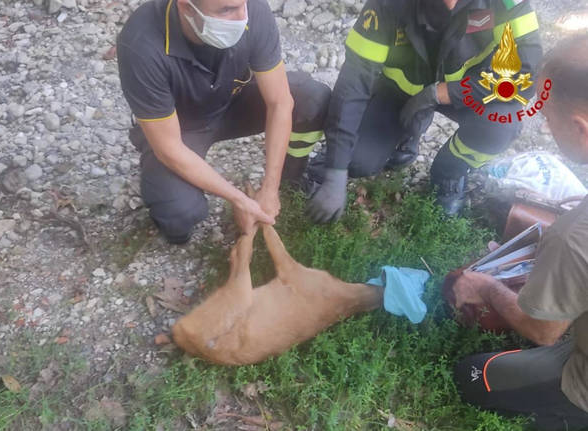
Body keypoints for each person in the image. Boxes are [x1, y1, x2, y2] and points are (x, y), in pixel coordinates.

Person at [452, 34, 588, 431]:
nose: (545, 127)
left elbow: (543, 330)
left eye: (547, 118)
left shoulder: (576, 236)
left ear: (580, 128)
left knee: (471, 375)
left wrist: (488, 287)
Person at [307, 0, 542, 222]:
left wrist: (441, 93)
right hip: (397, 91)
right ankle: (406, 133)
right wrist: (335, 169)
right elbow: (354, 82)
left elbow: (526, 74)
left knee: (502, 124)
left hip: (467, 90)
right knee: (357, 161)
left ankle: (448, 174)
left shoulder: (506, 3)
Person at [117, 0, 331, 243]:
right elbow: (169, 149)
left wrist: (269, 188)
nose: (242, 18)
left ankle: (291, 178)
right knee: (179, 213)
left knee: (313, 98)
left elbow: (280, 103)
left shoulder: (251, 11)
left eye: (243, 5)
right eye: (226, 10)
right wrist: (239, 199)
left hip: (231, 100)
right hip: (181, 128)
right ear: (186, 7)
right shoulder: (141, 45)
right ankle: (172, 210)